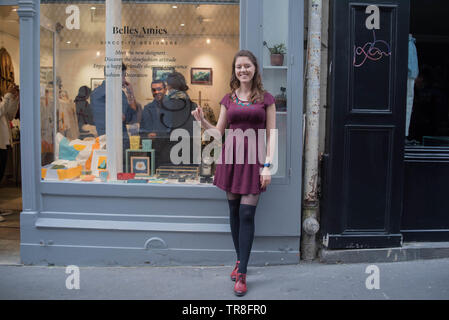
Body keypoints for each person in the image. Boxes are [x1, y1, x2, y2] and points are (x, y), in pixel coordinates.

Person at [191, 50, 276, 296]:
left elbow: (271, 135)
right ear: (234, 71)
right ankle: (240, 261)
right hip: (231, 159)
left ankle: (242, 274)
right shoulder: (228, 99)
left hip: (255, 161)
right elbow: (218, 133)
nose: (243, 70)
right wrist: (202, 122)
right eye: (239, 67)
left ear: (254, 69)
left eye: (247, 66)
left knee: (247, 214)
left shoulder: (266, 99)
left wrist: (268, 166)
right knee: (234, 213)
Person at [90, 63, 141, 151]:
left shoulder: (96, 93)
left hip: (112, 141)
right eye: (123, 76)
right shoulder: (107, 93)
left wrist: (130, 93)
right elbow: (129, 117)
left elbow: (129, 117)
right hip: (114, 143)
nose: (124, 80)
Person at [0, 84, 19, 190]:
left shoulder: (2, 99)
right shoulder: (4, 99)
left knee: (2, 170)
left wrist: (15, 99)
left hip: (4, 141)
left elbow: (10, 116)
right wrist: (8, 95)